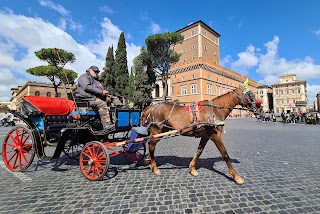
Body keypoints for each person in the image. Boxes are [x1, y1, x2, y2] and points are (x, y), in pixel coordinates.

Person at [74, 65, 123, 130]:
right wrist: (101, 92)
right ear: (90, 70)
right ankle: (106, 125)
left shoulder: (96, 80)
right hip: (88, 98)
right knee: (101, 103)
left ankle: (121, 112)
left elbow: (99, 90)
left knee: (114, 98)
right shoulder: (83, 77)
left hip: (96, 97)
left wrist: (107, 94)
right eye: (95, 71)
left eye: (97, 72)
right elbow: (87, 87)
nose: (96, 73)